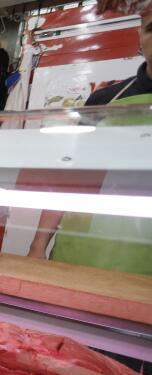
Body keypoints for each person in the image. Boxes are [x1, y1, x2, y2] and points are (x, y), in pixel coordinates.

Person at [27, 11, 152, 274]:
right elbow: (71, 177)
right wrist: (38, 245)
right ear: (139, 38)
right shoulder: (103, 100)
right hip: (83, 246)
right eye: (151, 29)